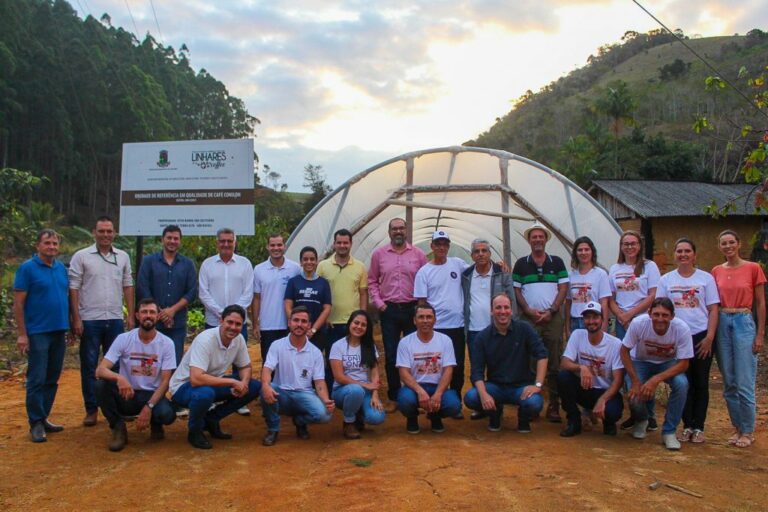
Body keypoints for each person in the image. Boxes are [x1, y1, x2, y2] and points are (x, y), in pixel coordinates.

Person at [69, 215, 134, 427]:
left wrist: (131, 314)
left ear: (114, 233)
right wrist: (76, 317)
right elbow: (74, 287)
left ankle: (115, 408)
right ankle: (91, 409)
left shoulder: (122, 256)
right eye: (101, 231)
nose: (105, 235)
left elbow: (127, 285)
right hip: (89, 320)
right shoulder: (82, 256)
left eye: (109, 231)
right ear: (94, 233)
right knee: (89, 366)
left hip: (115, 318)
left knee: (115, 365)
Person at [169, 305, 261, 449]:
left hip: (212, 384)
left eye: (238, 324)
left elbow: (245, 367)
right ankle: (195, 431)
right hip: (184, 387)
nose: (233, 327)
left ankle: (212, 419)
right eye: (229, 322)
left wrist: (243, 383)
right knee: (205, 394)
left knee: (254, 386)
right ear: (221, 321)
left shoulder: (239, 339)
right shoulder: (205, 339)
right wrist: (232, 382)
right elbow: (196, 379)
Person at [656, 238, 719, 444]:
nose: (683, 255)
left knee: (700, 381)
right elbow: (661, 310)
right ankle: (687, 425)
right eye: (679, 251)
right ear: (674, 255)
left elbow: (713, 309)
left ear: (694, 255)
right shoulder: (666, 280)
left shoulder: (706, 279)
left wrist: (710, 337)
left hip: (701, 336)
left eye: (687, 251)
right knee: (684, 382)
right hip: (677, 337)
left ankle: (699, 427)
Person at [94, 298, 176, 451]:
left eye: (152, 312)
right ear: (137, 316)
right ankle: (118, 428)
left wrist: (149, 407)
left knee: (167, 415)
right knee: (100, 385)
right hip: (128, 394)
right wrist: (119, 378)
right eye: (144, 312)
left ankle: (155, 423)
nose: (148, 316)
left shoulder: (167, 343)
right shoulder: (124, 339)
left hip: (151, 395)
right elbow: (100, 370)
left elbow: (165, 381)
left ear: (158, 316)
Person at [14, 229, 71, 442]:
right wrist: (22, 334)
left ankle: (43, 416)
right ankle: (35, 422)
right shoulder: (27, 269)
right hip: (37, 332)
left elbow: (65, 298)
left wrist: (71, 325)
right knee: (36, 378)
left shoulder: (61, 269)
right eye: (47, 243)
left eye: (55, 243)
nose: (52, 247)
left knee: (52, 377)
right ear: (38, 245)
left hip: (59, 330)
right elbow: (19, 304)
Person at [712, 229, 766, 448]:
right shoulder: (715, 271)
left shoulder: (753, 268)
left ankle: (748, 430)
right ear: (719, 247)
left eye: (731, 242)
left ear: (739, 244)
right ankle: (737, 427)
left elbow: (761, 303)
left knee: (745, 381)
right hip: (723, 320)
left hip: (744, 320)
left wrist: (760, 333)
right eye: (724, 243)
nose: (728, 246)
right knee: (729, 380)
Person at [463, 294, 548, 433]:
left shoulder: (524, 329)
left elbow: (542, 355)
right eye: (498, 308)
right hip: (495, 387)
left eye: (506, 307)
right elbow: (476, 372)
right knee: (472, 397)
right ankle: (494, 414)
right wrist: (484, 394)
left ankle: (523, 418)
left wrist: (538, 385)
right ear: (491, 311)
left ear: (511, 310)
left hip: (521, 387)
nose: (503, 311)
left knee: (534, 403)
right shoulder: (482, 337)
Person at [512, 222, 568, 422]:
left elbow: (563, 288)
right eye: (534, 237)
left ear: (545, 239)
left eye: (540, 237)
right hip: (529, 318)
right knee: (531, 360)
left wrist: (552, 310)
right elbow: (517, 290)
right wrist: (528, 310)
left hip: (552, 318)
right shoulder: (521, 264)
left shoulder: (557, 263)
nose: (537, 240)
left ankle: (553, 404)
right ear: (529, 240)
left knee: (554, 359)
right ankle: (532, 402)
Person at [368, 217, 427, 407]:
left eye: (401, 228)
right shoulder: (379, 255)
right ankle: (395, 396)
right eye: (395, 229)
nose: (398, 232)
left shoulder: (418, 255)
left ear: (406, 231)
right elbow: (372, 281)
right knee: (392, 354)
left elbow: (426, 280)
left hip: (412, 310)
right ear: (389, 232)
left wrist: (420, 306)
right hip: (389, 310)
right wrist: (380, 304)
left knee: (415, 354)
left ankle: (415, 393)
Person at [620, 298, 692, 451]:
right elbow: (624, 350)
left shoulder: (682, 328)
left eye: (665, 315)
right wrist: (634, 380)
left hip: (668, 363)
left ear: (672, 316)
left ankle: (669, 431)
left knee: (682, 384)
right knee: (633, 390)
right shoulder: (639, 324)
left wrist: (655, 380)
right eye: (656, 314)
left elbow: (684, 363)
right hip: (640, 361)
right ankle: (642, 419)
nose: (660, 319)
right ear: (649, 313)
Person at [608, 230, 661, 432]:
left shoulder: (650, 267)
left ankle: (650, 414)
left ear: (640, 246)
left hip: (643, 321)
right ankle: (636, 412)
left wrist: (631, 315)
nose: (629, 247)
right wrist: (621, 316)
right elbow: (610, 297)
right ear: (621, 247)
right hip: (623, 323)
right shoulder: (615, 268)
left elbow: (652, 295)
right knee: (629, 366)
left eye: (633, 243)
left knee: (645, 364)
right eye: (625, 244)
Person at [198, 227, 253, 415]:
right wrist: (222, 314)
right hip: (214, 320)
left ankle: (239, 395)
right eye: (223, 241)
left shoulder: (245, 264)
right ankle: (211, 397)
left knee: (239, 359)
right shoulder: (207, 264)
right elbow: (203, 293)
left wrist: (233, 316)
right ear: (217, 243)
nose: (226, 244)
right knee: (211, 360)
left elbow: (248, 293)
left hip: (238, 323)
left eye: (230, 241)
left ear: (235, 242)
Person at [260, 306, 335, 446]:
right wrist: (265, 385)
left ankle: (300, 421)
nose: (299, 324)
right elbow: (267, 369)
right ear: (289, 322)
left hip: (304, 394)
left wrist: (325, 400)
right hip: (281, 393)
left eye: (303, 321)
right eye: (296, 320)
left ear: (309, 325)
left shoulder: (315, 352)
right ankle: (273, 429)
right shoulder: (277, 345)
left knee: (325, 415)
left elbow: (319, 382)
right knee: (266, 387)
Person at [414, 230, 469, 410]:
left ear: (448, 246)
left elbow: (479, 269)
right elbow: (421, 303)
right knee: (435, 366)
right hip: (436, 328)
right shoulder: (424, 272)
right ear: (432, 246)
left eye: (445, 244)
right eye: (438, 244)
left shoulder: (458, 264)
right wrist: (424, 325)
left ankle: (455, 398)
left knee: (457, 364)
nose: (441, 247)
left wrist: (498, 265)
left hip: (456, 325)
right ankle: (432, 399)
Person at [460, 238, 515, 419]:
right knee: (477, 368)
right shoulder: (466, 275)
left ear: (490, 253)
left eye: (484, 250)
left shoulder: (501, 273)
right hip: (475, 330)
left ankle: (497, 405)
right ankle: (483, 405)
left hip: (497, 329)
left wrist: (510, 325)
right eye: (477, 251)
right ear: (472, 255)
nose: (481, 254)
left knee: (497, 368)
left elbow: (511, 301)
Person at [557, 301, 624, 437]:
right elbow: (564, 362)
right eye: (587, 317)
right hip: (586, 388)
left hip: (606, 391)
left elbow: (618, 380)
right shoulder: (577, 335)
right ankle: (574, 420)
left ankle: (608, 422)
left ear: (602, 319)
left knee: (613, 412)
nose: (591, 321)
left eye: (595, 317)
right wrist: (581, 367)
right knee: (563, 377)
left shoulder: (615, 344)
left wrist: (603, 399)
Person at [395, 303, 463, 434]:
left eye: (429, 317)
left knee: (454, 405)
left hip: (437, 386)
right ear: (414, 320)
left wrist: (438, 394)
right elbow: (403, 373)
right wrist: (420, 392)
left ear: (435, 320)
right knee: (405, 400)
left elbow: (449, 370)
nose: (425, 321)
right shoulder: (405, 342)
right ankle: (412, 417)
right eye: (421, 317)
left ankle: (435, 416)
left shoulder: (445, 340)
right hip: (414, 388)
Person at [136, 224, 198, 365]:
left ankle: (172, 388)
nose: (172, 241)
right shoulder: (148, 262)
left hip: (177, 324)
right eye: (169, 238)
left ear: (180, 241)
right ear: (162, 239)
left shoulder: (187, 264)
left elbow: (192, 292)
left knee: (174, 363)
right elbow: (143, 288)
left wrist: (172, 311)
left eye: (176, 238)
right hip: (152, 322)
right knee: (151, 362)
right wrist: (160, 313)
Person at [317, 228, 368, 387]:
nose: (342, 245)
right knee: (331, 358)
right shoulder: (323, 266)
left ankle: (352, 390)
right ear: (334, 244)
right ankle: (331, 393)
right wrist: (322, 317)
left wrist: (362, 318)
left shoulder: (360, 267)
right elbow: (318, 293)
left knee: (352, 360)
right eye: (339, 242)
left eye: (345, 242)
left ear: (351, 244)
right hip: (329, 323)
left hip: (351, 324)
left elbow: (363, 293)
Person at [329, 310, 386, 439]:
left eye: (363, 325)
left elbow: (375, 373)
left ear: (367, 328)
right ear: (350, 323)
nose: (359, 327)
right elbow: (339, 377)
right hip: (343, 391)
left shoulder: (369, 346)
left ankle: (358, 415)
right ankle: (349, 422)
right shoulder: (338, 346)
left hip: (365, 391)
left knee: (376, 418)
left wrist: (375, 395)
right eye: (356, 323)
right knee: (355, 390)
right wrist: (365, 385)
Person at [284, 246, 332, 385]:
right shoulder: (294, 282)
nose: (309, 262)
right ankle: (296, 388)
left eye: (312, 259)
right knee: (297, 360)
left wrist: (313, 330)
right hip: (297, 332)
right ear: (300, 262)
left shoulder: (323, 283)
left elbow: (327, 308)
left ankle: (315, 390)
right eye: (305, 259)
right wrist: (296, 325)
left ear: (317, 261)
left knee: (314, 362)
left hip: (317, 333)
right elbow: (288, 305)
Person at [251, 233, 301, 363]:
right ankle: (268, 384)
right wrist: (255, 324)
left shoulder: (295, 268)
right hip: (268, 326)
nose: (276, 248)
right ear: (267, 247)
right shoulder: (259, 269)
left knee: (289, 362)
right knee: (269, 362)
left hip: (290, 325)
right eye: (272, 245)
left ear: (284, 246)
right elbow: (256, 298)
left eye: (279, 245)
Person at [565, 236, 610, 336]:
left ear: (592, 252)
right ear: (575, 253)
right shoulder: (570, 275)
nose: (583, 253)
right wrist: (567, 327)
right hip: (575, 321)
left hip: (594, 321)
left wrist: (604, 325)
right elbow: (568, 302)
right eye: (580, 250)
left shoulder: (600, 274)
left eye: (587, 249)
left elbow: (604, 302)